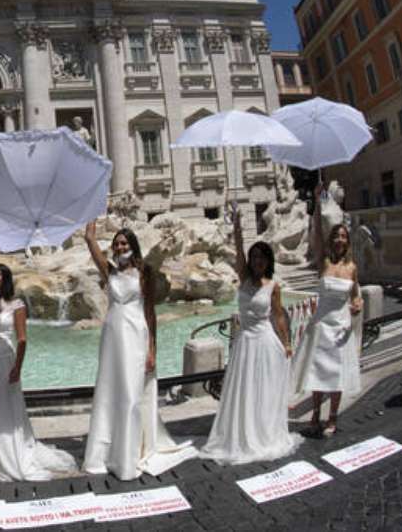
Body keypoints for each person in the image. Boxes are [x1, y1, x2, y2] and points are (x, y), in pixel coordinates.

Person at [82, 222, 197, 480]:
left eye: (124, 243)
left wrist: (152, 350)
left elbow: (150, 313)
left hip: (136, 334)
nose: (120, 247)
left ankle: (130, 453)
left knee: (133, 393)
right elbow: (91, 244)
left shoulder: (145, 272)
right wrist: (89, 232)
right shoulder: (109, 271)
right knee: (110, 391)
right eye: (116, 244)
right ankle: (106, 452)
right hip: (112, 335)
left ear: (132, 246)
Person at [0, 264, 77, 480]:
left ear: (5, 279)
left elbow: (22, 338)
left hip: (3, 361)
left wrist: (18, 368)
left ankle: (6, 453)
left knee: (2, 409)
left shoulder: (17, 304)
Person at [199, 205, 302, 464]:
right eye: (254, 256)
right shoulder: (244, 278)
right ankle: (243, 435)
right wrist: (236, 226)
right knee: (244, 391)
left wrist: (287, 343)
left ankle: (263, 433)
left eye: (261, 257)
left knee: (262, 390)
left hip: (265, 341)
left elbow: (278, 316)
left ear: (268, 261)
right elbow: (238, 253)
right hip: (245, 342)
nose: (257, 261)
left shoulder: (273, 286)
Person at [290, 183, 363, 437]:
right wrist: (318, 203)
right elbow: (317, 236)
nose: (339, 240)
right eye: (336, 236)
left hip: (341, 327)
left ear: (347, 240)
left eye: (343, 236)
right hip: (321, 324)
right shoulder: (323, 261)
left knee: (336, 376)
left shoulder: (352, 268)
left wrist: (357, 304)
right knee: (318, 373)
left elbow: (356, 296)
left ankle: (332, 417)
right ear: (332, 240)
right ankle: (315, 415)